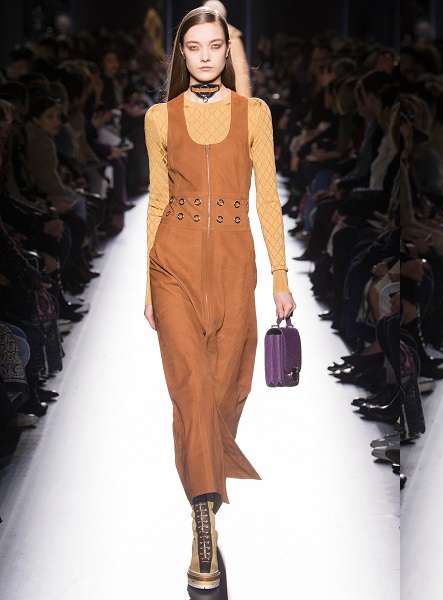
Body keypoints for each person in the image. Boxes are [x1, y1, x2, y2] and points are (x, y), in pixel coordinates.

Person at [143, 7, 296, 590]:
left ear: (227, 52)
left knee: (227, 391)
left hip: (235, 267)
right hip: (173, 266)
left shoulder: (254, 113)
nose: (205, 56)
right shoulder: (159, 117)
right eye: (195, 47)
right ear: (181, 55)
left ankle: (204, 491)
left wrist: (280, 276)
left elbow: (268, 198)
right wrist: (148, 286)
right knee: (191, 391)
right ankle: (202, 522)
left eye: (215, 46)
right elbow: (158, 200)